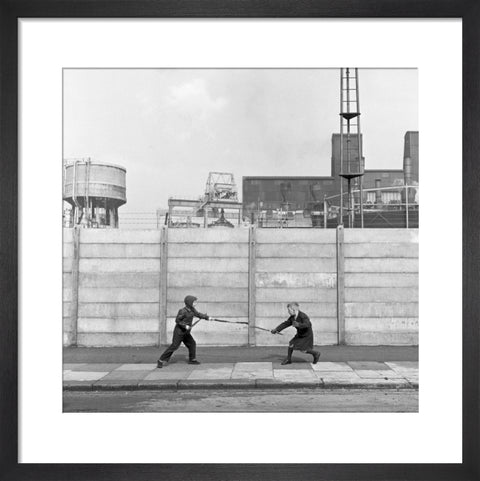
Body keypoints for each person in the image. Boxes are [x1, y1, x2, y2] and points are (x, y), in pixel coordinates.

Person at [157, 295, 209, 368]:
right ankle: (161, 360)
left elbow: (198, 314)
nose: (195, 303)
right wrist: (185, 326)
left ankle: (192, 359)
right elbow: (177, 320)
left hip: (186, 332)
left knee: (192, 343)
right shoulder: (182, 311)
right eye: (194, 302)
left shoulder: (192, 309)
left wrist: (207, 317)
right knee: (174, 346)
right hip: (179, 332)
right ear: (189, 302)